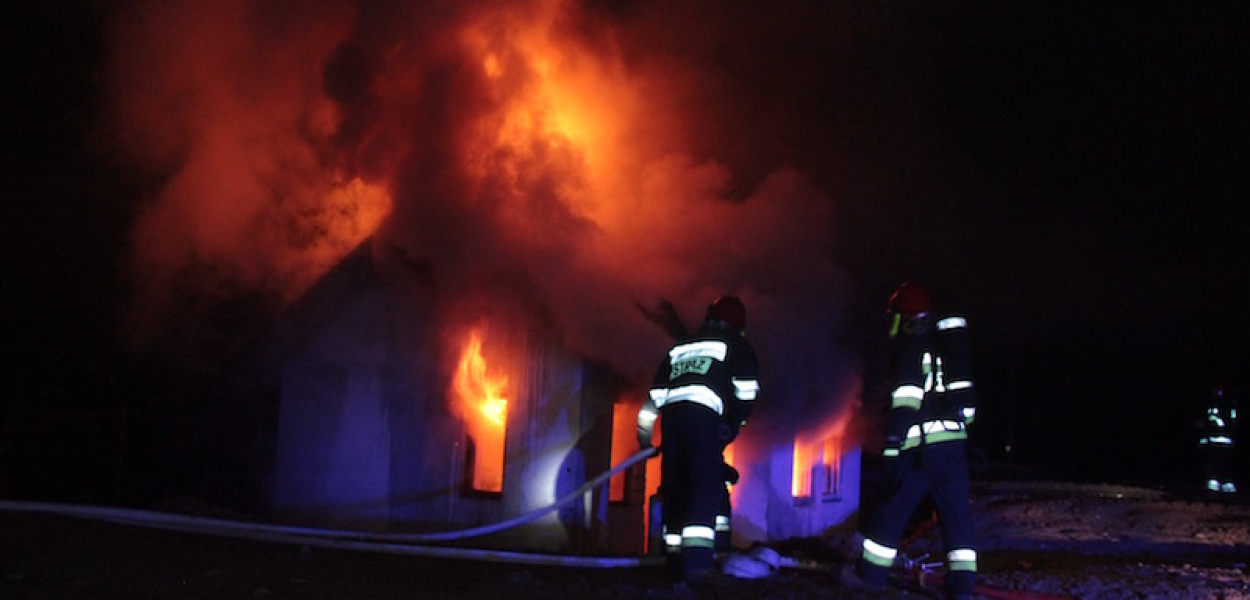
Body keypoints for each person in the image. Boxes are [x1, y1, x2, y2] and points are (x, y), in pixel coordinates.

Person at [838, 282, 978, 600]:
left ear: (904, 316)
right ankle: (962, 588)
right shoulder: (948, 346)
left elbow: (905, 401)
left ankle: (870, 575)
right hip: (954, 446)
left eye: (896, 316)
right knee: (957, 518)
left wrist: (891, 444)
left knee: (893, 509)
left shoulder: (912, 346)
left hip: (921, 448)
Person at [637, 295, 760, 586]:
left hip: (672, 422)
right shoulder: (736, 345)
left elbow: (653, 400)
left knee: (677, 486)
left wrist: (644, 440)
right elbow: (746, 393)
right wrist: (731, 426)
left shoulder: (681, 346)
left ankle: (674, 559)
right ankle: (697, 566)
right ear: (738, 324)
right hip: (703, 420)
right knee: (705, 485)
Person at [1198, 384, 1238, 497]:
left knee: (1215, 461)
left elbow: (1210, 422)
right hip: (1227, 441)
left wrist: (1204, 438)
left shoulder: (1214, 405)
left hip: (1216, 440)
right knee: (1224, 462)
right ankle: (1226, 484)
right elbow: (1234, 424)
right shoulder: (1231, 404)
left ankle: (1215, 483)